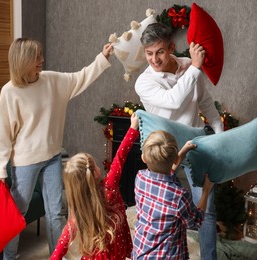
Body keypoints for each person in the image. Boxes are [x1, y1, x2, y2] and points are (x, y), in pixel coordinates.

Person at [0, 38, 113, 260]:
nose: (42, 60)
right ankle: (9, 257)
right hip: (25, 162)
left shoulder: (53, 81)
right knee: (16, 213)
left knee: (56, 212)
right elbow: (3, 133)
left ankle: (57, 256)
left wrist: (102, 58)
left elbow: (81, 77)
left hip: (52, 157)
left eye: (40, 55)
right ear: (23, 60)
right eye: (36, 57)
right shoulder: (9, 91)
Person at [134, 23, 224, 260]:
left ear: (171, 47)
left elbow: (205, 102)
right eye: (149, 53)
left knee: (207, 206)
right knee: (160, 212)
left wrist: (219, 132)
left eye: (160, 52)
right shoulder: (143, 82)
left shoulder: (188, 65)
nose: (154, 59)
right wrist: (195, 68)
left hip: (195, 143)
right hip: (163, 151)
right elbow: (173, 101)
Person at [50, 113, 139, 259]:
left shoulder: (79, 208)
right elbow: (120, 156)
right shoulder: (109, 186)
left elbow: (63, 241)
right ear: (94, 174)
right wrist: (133, 127)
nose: (99, 167)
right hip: (116, 249)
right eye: (96, 166)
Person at [133, 130, 214, 259]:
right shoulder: (179, 196)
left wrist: (182, 152)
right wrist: (205, 191)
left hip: (141, 252)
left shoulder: (140, 178)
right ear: (175, 158)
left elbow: (162, 177)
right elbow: (196, 222)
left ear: (143, 158)